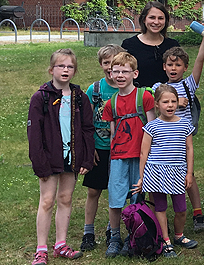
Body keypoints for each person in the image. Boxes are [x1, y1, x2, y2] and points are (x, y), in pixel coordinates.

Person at [28, 48, 96, 265]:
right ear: (51, 69)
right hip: (49, 158)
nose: (65, 70)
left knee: (65, 198)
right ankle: (41, 249)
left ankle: (60, 244)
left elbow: (87, 129)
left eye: (70, 66)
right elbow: (34, 134)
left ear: (75, 71)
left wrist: (86, 158)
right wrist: (40, 163)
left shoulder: (80, 98)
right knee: (47, 201)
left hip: (72, 157)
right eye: (61, 66)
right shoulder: (41, 98)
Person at [132, 85, 198, 258]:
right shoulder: (151, 127)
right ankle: (166, 240)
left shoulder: (185, 125)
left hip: (178, 171)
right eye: (165, 102)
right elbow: (143, 153)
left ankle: (179, 235)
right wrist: (142, 177)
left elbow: (189, 149)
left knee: (181, 208)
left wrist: (189, 173)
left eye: (173, 101)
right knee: (160, 207)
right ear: (157, 104)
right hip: (156, 172)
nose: (170, 105)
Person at [102, 52, 156, 258]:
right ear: (110, 73)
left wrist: (150, 157)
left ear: (135, 73)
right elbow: (112, 133)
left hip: (141, 156)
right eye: (116, 71)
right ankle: (114, 237)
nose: (120, 75)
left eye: (125, 71)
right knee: (115, 199)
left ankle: (135, 236)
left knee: (137, 197)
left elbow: (152, 128)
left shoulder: (145, 97)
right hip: (118, 157)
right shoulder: (111, 104)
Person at [152, 46, 204, 231]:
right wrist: (177, 105)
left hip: (183, 139)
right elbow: (155, 109)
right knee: (162, 174)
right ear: (164, 67)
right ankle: (161, 214)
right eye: (170, 64)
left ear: (185, 67)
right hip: (163, 140)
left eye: (178, 64)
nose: (173, 68)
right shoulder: (157, 88)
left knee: (188, 176)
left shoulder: (189, 85)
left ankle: (197, 212)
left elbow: (200, 60)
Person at [80, 44, 125, 252]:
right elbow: (86, 121)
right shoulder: (95, 89)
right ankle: (88, 231)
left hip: (122, 149)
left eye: (115, 63)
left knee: (117, 192)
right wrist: (89, 148)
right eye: (107, 63)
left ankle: (111, 229)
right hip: (99, 147)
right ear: (101, 65)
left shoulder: (129, 88)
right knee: (93, 190)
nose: (111, 67)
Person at [121, 1, 180, 88]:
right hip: (139, 98)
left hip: (167, 99)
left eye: (160, 18)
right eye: (152, 17)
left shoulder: (172, 45)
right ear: (144, 19)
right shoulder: (129, 45)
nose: (156, 22)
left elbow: (179, 75)